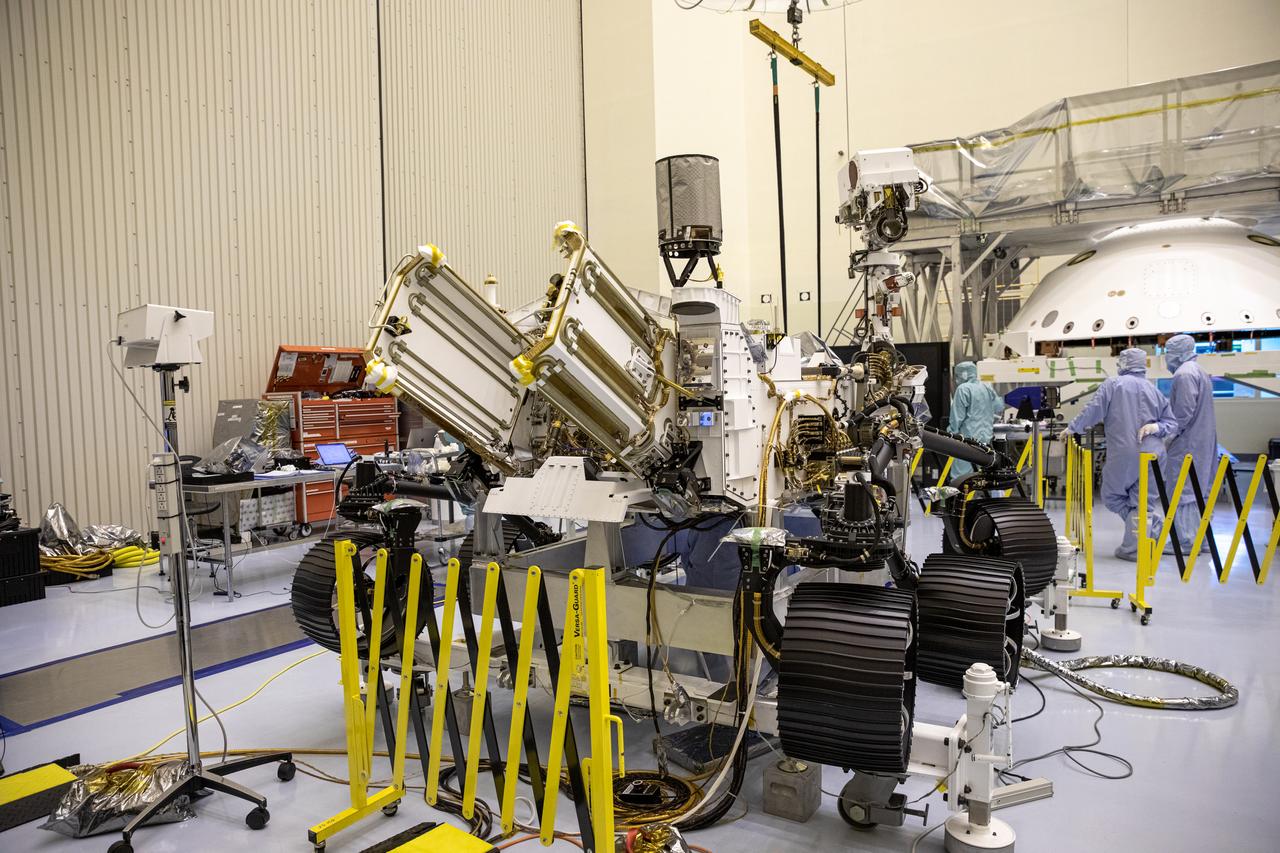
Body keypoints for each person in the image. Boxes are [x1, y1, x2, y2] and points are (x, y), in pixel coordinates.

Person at [1064, 348, 1178, 560]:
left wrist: (1072, 428)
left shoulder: (1113, 384)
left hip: (1126, 452)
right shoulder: (1153, 389)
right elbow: (1171, 423)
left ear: (1123, 362)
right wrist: (1156, 428)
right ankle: (1144, 535)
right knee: (1142, 502)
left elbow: (1093, 409)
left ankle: (1145, 535)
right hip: (1155, 453)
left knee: (1111, 495)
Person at [1162, 334, 1218, 553]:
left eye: (1167, 352)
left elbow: (1182, 414)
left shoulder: (1184, 374)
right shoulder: (1199, 371)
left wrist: (1165, 437)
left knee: (1183, 490)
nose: (1166, 357)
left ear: (1177, 352)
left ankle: (1186, 541)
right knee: (1198, 489)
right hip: (1201, 441)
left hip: (1188, 443)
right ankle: (1200, 538)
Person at [947, 361, 1005, 477]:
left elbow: (957, 417)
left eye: (957, 376)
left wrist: (951, 433)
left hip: (967, 441)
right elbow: (999, 406)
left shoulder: (963, 389)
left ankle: (962, 495)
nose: (956, 379)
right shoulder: (986, 387)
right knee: (983, 476)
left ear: (963, 375)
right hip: (985, 440)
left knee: (962, 477)